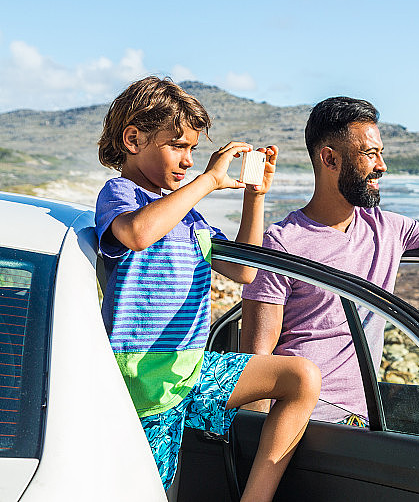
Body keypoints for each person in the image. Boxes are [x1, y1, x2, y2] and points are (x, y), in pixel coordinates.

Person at [95, 76, 320, 501]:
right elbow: (138, 233)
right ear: (133, 139)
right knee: (151, 491)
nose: (187, 160)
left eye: (193, 150)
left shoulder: (190, 218)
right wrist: (208, 181)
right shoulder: (121, 193)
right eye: (177, 146)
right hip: (143, 381)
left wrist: (254, 197)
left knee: (300, 377)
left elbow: (244, 270)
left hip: (192, 371)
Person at [240, 96, 419, 424]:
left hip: (362, 424)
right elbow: (256, 361)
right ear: (330, 159)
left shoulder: (388, 229)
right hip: (300, 427)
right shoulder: (282, 242)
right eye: (370, 154)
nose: (382, 166)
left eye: (380, 153)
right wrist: (255, 441)